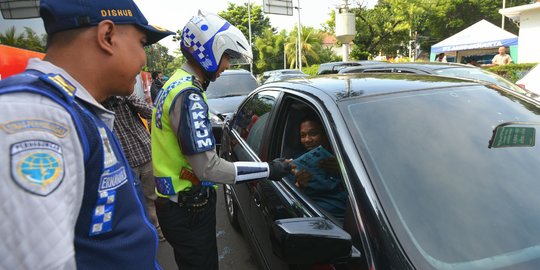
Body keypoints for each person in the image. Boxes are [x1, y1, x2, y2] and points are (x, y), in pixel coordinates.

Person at [0, 0, 174, 269]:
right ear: (107, 36)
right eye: (141, 43)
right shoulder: (36, 116)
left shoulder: (73, 108)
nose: (144, 59)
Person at [151, 10, 291, 270]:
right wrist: (270, 169)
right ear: (209, 51)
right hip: (188, 209)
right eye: (226, 56)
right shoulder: (189, 95)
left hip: (174, 205)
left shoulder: (174, 84)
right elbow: (209, 168)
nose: (227, 65)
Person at [101, 93, 165, 241]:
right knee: (134, 202)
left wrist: (127, 97)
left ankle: (159, 230)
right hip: (124, 162)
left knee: (153, 197)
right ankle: (146, 233)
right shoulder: (98, 105)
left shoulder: (125, 97)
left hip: (145, 153)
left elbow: (151, 112)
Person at [291, 115, 347, 221]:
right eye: (303, 135)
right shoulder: (296, 164)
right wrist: (300, 185)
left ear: (326, 134)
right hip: (326, 219)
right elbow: (291, 199)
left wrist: (341, 170)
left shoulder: (347, 156)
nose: (307, 140)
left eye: (313, 134)